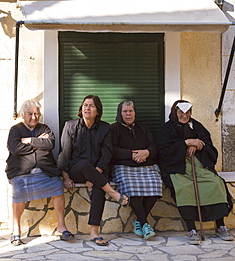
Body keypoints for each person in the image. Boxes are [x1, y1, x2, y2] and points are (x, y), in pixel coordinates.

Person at [156, 99, 234, 245]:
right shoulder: (166, 129)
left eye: (187, 112)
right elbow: (163, 151)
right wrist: (185, 143)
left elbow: (208, 145)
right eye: (181, 112)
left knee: (215, 183)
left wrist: (198, 145)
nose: (184, 115)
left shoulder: (197, 126)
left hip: (198, 165)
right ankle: (192, 230)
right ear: (175, 113)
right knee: (184, 188)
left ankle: (221, 226)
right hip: (177, 167)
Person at [58, 95, 129, 246]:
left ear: (98, 110)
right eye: (85, 105)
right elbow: (64, 154)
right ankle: (114, 193)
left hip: (99, 170)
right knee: (84, 164)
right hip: (77, 170)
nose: (87, 108)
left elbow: (107, 153)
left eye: (91, 106)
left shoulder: (105, 128)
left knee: (99, 189)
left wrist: (95, 174)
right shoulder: (70, 126)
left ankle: (94, 233)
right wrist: (66, 177)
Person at [5, 99, 74, 246]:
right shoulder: (16, 130)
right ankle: (16, 229)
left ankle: (61, 226)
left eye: (36, 114)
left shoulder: (44, 128)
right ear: (23, 115)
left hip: (45, 171)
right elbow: (16, 149)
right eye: (30, 114)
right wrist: (38, 144)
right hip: (21, 172)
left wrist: (30, 140)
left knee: (57, 185)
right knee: (18, 190)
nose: (34, 117)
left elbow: (50, 144)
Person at [110, 101, 163, 240]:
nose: (128, 114)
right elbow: (112, 150)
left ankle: (139, 221)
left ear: (135, 113)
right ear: (120, 113)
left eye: (131, 111)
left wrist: (146, 152)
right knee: (130, 186)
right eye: (125, 111)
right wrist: (131, 155)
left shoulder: (143, 127)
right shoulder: (113, 129)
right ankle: (145, 223)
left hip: (146, 165)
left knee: (157, 184)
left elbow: (154, 145)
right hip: (124, 166)